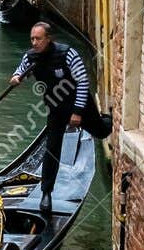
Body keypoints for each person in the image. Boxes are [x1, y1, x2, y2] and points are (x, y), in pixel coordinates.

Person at [10, 21, 90, 214]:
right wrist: (16, 77)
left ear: (49, 38)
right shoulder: (31, 56)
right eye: (32, 39)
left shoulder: (68, 54)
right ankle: (46, 193)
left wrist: (78, 112)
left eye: (38, 38)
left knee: (101, 129)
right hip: (55, 107)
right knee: (52, 148)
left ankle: (103, 122)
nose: (34, 42)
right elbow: (21, 69)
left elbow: (83, 81)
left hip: (81, 104)